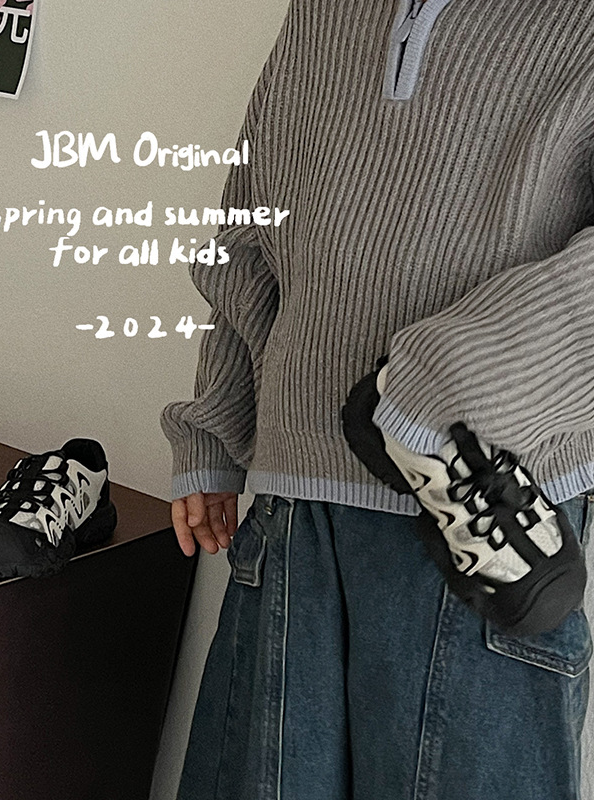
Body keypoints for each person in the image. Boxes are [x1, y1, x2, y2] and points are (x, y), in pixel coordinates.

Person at [161, 1, 594, 798]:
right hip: (294, 511)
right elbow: (252, 228)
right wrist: (215, 429)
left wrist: (438, 389)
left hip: (484, 521)